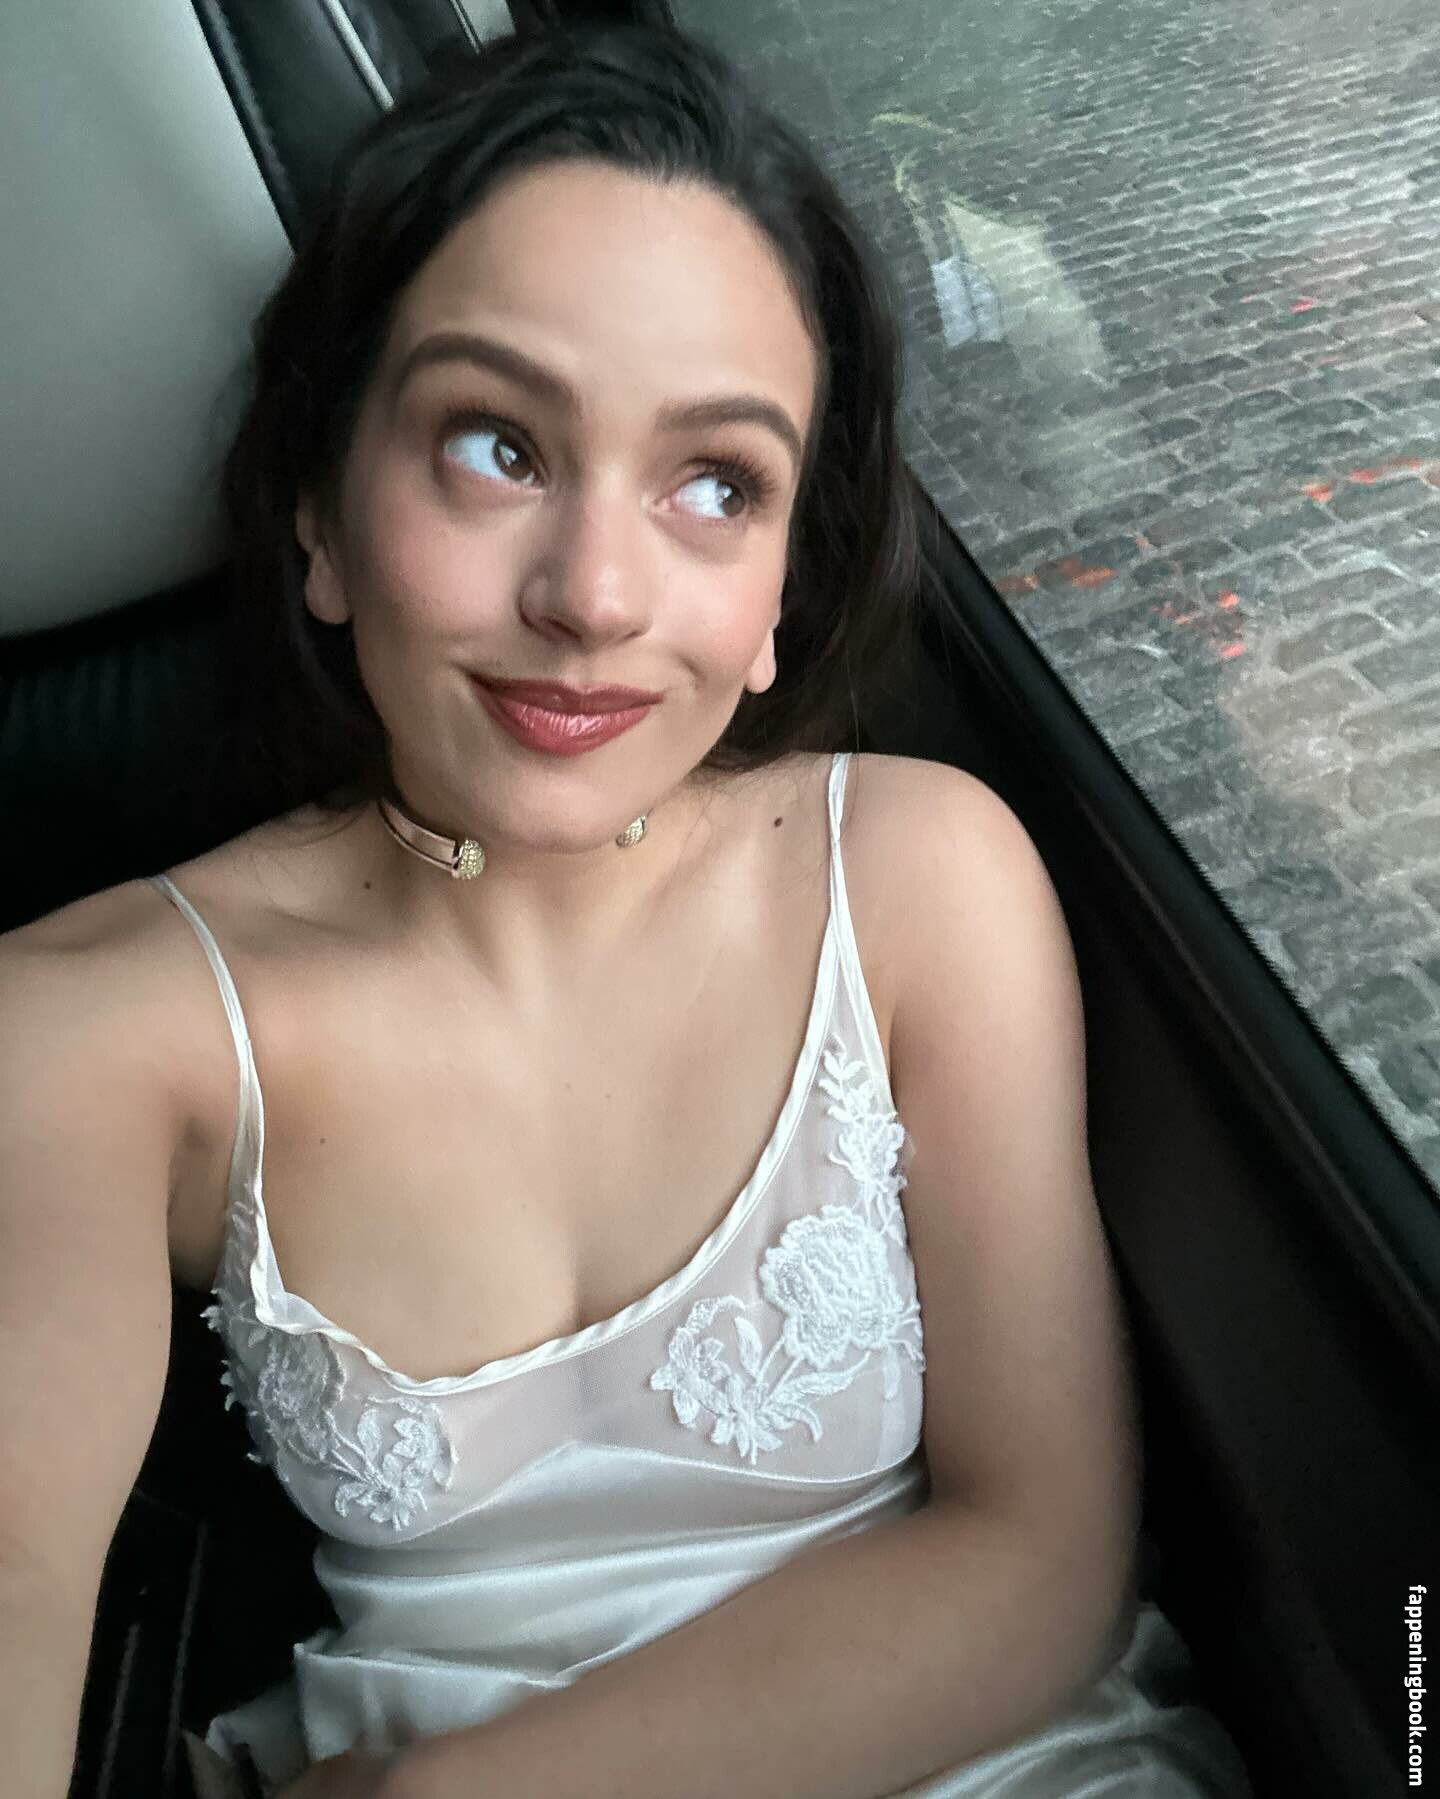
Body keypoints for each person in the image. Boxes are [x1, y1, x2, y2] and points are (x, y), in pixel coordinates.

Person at [0, 20, 1256, 1799]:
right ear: (322, 514)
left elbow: (1040, 1561)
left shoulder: (916, 880)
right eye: (494, 446)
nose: (594, 596)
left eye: (716, 484)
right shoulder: (92, 1027)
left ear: (780, 591)